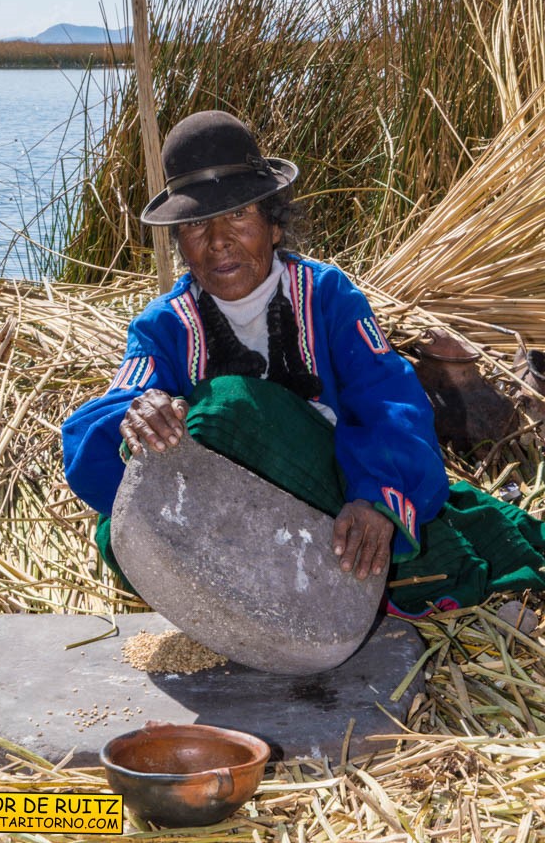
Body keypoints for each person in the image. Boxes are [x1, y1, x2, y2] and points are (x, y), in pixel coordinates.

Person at [62, 109, 452, 593]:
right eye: (198, 224)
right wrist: (137, 416)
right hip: (225, 523)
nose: (219, 241)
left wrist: (376, 498)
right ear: (181, 242)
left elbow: (389, 402)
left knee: (228, 405)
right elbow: (98, 422)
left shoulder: (328, 297)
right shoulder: (164, 325)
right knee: (120, 521)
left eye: (239, 215)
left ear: (274, 225)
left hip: (331, 498)